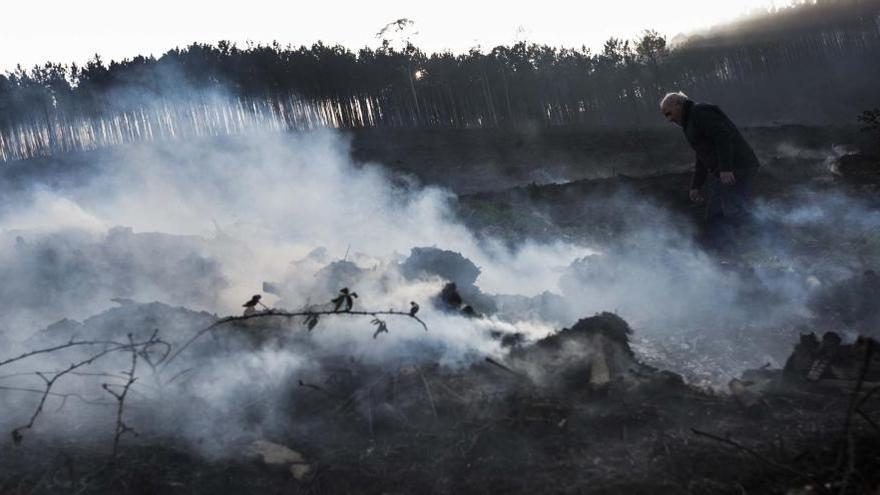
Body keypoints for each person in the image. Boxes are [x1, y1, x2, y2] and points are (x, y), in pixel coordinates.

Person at [659, 91, 760, 251]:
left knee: (722, 213)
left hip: (738, 167)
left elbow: (722, 136)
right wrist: (696, 186)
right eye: (666, 116)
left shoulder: (700, 112)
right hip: (732, 169)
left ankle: (738, 249)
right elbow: (702, 156)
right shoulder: (689, 123)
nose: (669, 119)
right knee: (725, 212)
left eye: (669, 113)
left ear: (678, 104)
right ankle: (739, 247)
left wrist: (726, 168)